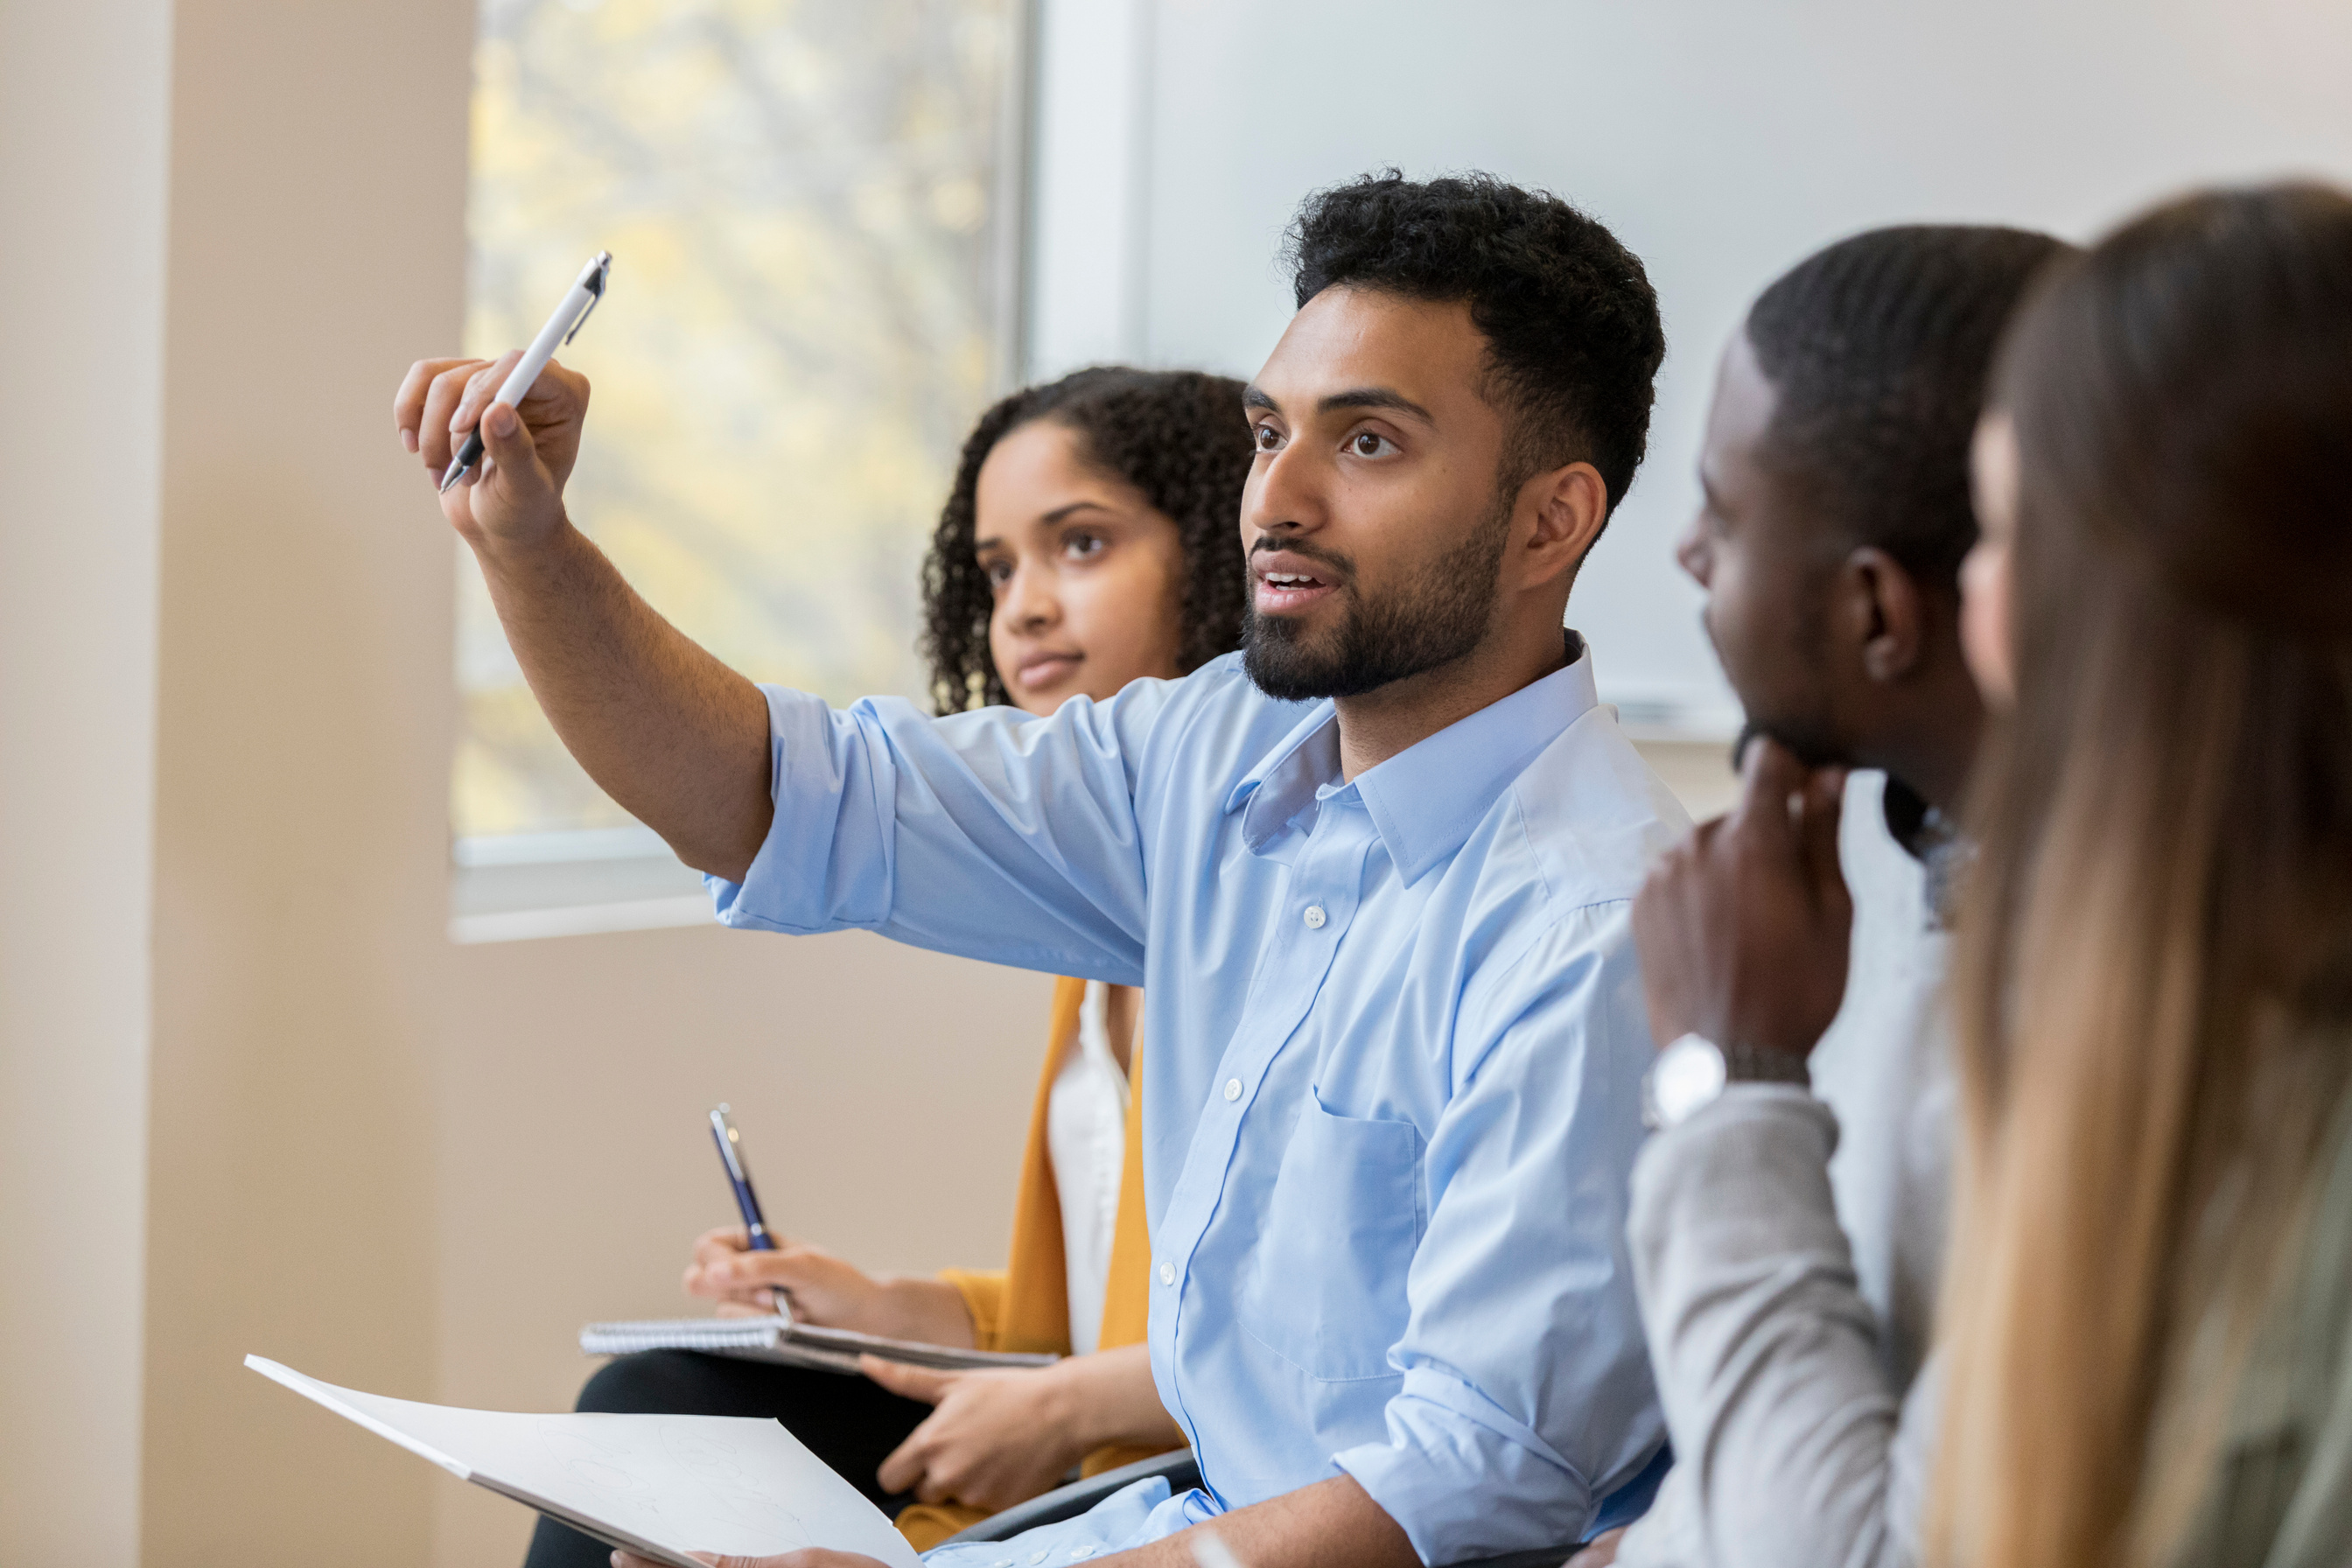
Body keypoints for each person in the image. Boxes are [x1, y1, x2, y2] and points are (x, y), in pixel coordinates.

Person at [396, 170, 1683, 1568]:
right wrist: (528, 546)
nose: (1279, 500)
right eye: (1269, 433)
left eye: (1368, 444)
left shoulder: (1594, 924)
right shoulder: (1211, 752)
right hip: (1180, 1518)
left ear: (1553, 522)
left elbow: (1469, 1483)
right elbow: (781, 798)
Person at [1621, 181, 2352, 1568]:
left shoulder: (2203, 1065)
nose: (1983, 598)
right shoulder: (1867, 866)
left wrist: (1727, 1081)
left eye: (2009, 531)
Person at [520, 367, 1251, 1568]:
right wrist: (876, 1307)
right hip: (1089, 1422)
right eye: (999, 569)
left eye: (1079, 544)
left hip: (1190, 1472)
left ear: (1228, 554)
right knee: (647, 1411)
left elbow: (1316, 1342)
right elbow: (1074, 1311)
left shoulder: (1281, 910)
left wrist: (1069, 1407)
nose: (1020, 607)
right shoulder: (1091, 924)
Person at [1574, 224, 2068, 1568]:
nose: (1684, 554)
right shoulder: (1861, 850)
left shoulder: (2128, 1010)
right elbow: (1802, 1414)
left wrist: (1728, 1077)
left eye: (1725, 519)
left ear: (1876, 614)